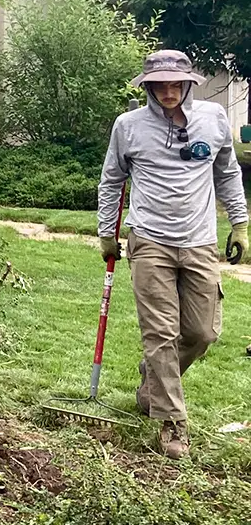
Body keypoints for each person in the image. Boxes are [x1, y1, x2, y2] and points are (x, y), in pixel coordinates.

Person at [98, 49, 248, 459]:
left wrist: (240, 223)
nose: (167, 91)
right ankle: (171, 422)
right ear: (147, 86)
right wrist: (106, 233)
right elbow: (111, 180)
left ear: (188, 84)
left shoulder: (214, 119)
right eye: (158, 84)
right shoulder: (128, 126)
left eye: (174, 83)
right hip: (149, 241)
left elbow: (228, 171)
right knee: (160, 333)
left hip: (200, 241)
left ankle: (153, 379)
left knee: (203, 333)